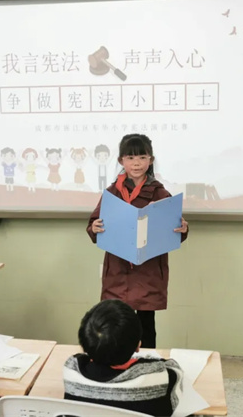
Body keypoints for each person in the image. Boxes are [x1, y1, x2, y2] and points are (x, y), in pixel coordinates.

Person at [87, 133, 188, 348]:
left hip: (147, 270)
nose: (136, 163)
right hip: (118, 268)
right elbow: (95, 222)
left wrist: (182, 228)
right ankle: (118, 360)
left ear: (151, 160)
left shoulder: (160, 192)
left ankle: (147, 362)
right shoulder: (112, 192)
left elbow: (174, 227)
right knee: (116, 322)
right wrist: (94, 227)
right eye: (131, 157)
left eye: (142, 157)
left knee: (145, 324)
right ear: (121, 161)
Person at [63, 299, 184, 416]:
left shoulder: (72, 370)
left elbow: (82, 357)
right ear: (138, 346)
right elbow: (176, 372)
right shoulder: (158, 378)